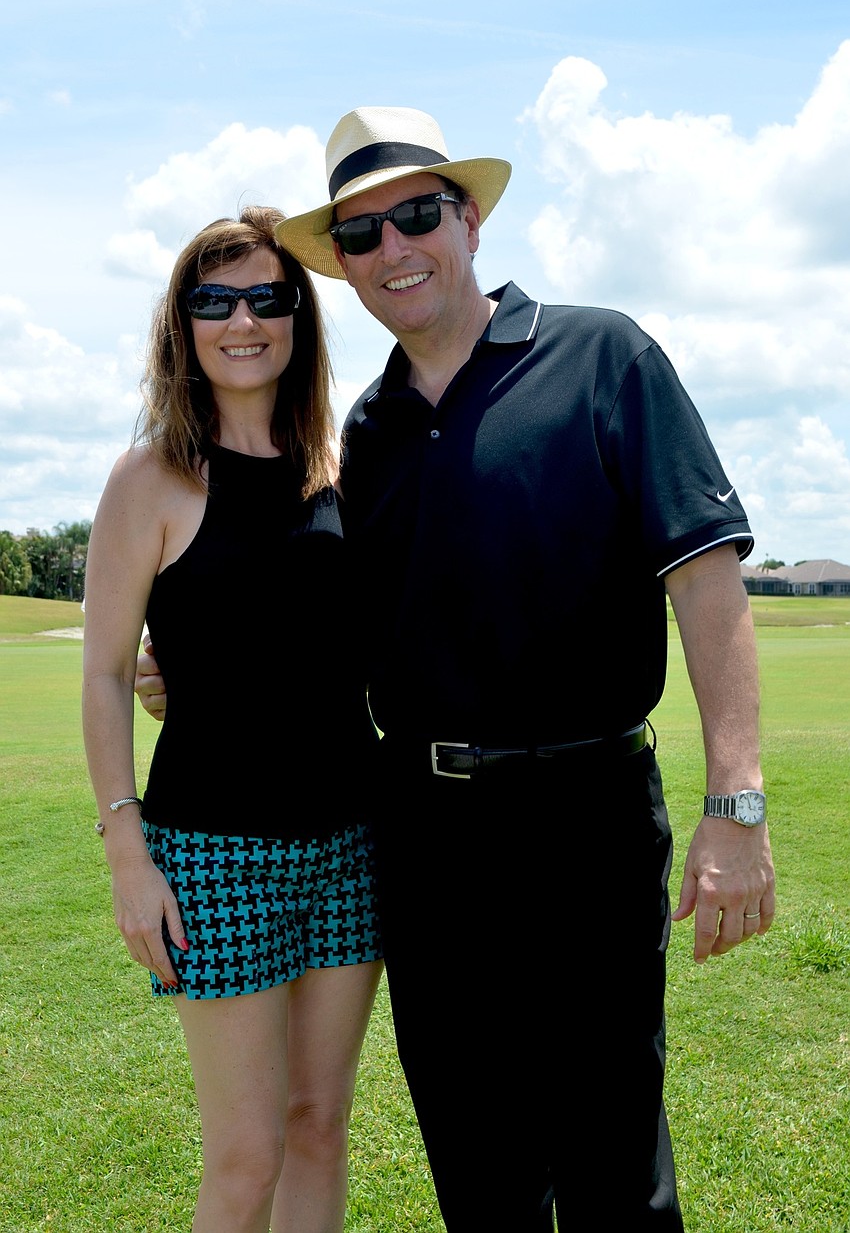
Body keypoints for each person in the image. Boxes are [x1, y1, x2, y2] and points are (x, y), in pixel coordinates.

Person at [136, 108, 776, 1231]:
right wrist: (196, 667)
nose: (393, 249)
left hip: (588, 814)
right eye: (361, 235)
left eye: (416, 215)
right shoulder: (362, 435)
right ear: (342, 266)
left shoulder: (604, 355)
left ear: (467, 219)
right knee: (477, 1166)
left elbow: (705, 577)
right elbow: (323, 618)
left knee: (612, 1157)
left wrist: (738, 802)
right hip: (423, 834)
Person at [83, 205, 383, 1233]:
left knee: (319, 1125)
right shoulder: (151, 479)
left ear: (300, 315)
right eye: (214, 300)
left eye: (267, 296)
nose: (242, 319)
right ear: (184, 323)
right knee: (246, 1156)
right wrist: (127, 847)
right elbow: (104, 670)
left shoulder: (340, 472)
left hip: (351, 842)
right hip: (213, 852)